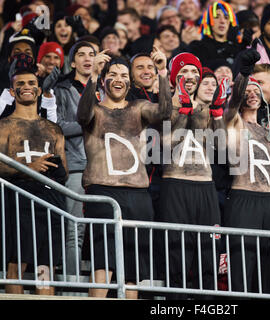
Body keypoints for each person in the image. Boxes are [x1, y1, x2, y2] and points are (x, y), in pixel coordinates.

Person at [77, 46, 172, 299]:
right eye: (113, 75)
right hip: (103, 193)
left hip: (138, 196)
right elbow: (82, 114)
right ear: (104, 79)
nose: (118, 80)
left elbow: (164, 113)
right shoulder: (95, 110)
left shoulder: (139, 108)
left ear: (130, 83)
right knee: (103, 267)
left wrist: (162, 72)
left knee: (133, 272)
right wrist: (92, 76)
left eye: (124, 76)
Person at [223, 47, 270, 294]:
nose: (252, 93)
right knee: (242, 273)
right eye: (248, 90)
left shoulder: (269, 132)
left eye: (256, 90)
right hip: (242, 199)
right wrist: (244, 74)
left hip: (269, 203)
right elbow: (233, 102)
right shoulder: (234, 122)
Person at [158, 52, 225, 298]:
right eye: (185, 71)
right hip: (175, 184)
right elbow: (164, 147)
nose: (191, 76)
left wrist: (216, 113)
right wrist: (184, 110)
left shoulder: (209, 109)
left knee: (209, 252)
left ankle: (207, 302)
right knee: (177, 253)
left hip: (206, 186)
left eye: (195, 72)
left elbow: (223, 149)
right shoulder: (164, 104)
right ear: (176, 75)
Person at [0, 67, 68, 296]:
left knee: (45, 262)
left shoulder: (53, 128)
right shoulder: (4, 125)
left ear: (39, 90)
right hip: (18, 196)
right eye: (21, 83)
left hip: (52, 198)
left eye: (32, 83)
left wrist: (55, 170)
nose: (27, 86)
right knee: (17, 260)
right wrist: (30, 168)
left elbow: (65, 171)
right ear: (12, 90)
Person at [55, 41, 96, 276]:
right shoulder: (62, 89)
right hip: (77, 166)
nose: (87, 58)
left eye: (91, 54)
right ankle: (72, 283)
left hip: (103, 168)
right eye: (81, 54)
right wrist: (89, 125)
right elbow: (57, 126)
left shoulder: (105, 86)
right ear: (73, 62)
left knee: (102, 230)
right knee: (75, 229)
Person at [188, 1, 243, 68]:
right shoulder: (198, 47)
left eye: (226, 17)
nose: (222, 21)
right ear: (208, 20)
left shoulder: (238, 48)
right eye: (216, 17)